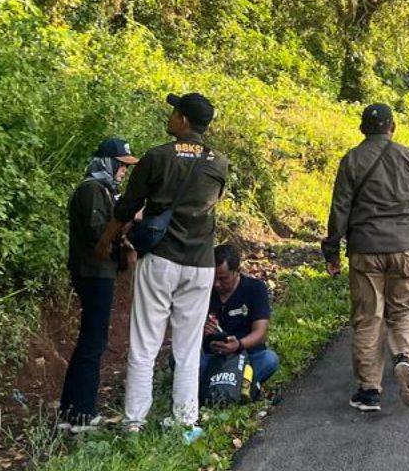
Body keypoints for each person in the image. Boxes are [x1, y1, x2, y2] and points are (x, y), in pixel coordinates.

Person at [98, 92, 229, 441]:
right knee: (188, 347)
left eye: (173, 112)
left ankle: (134, 423)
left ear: (183, 119)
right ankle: (185, 421)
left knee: (145, 344)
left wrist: (105, 240)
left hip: (161, 259)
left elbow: (127, 206)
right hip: (201, 263)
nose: (169, 117)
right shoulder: (219, 162)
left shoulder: (157, 156)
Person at [323, 103, 409, 413]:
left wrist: (332, 251)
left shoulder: (352, 159)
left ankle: (369, 391)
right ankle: (406, 358)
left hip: (365, 248)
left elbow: (340, 209)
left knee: (368, 316)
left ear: (363, 129)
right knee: (405, 309)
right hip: (405, 245)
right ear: (392, 127)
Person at [59, 137, 139, 433]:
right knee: (93, 341)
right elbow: (98, 232)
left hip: (98, 272)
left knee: (91, 339)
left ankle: (72, 410)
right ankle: (81, 413)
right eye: (121, 165)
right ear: (106, 163)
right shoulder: (92, 189)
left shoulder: (103, 190)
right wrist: (128, 223)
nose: (124, 171)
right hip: (93, 272)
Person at [202, 245, 280, 397]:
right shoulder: (204, 291)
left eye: (223, 279)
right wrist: (204, 332)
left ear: (237, 271)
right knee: (178, 360)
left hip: (246, 357)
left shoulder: (255, 288)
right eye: (213, 278)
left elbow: (260, 332)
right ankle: (242, 387)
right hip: (214, 358)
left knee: (269, 359)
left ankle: (217, 387)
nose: (217, 284)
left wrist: (238, 344)